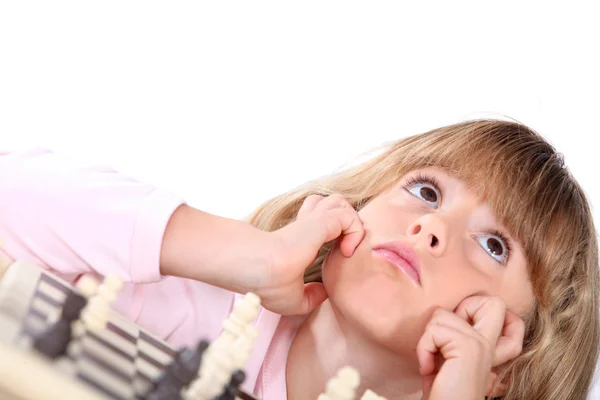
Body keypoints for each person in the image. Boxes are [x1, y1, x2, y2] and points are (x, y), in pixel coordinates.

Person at [0, 118, 597, 399]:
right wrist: (249, 255)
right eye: (427, 190)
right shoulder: (211, 315)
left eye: (494, 246)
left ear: (511, 354)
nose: (432, 226)